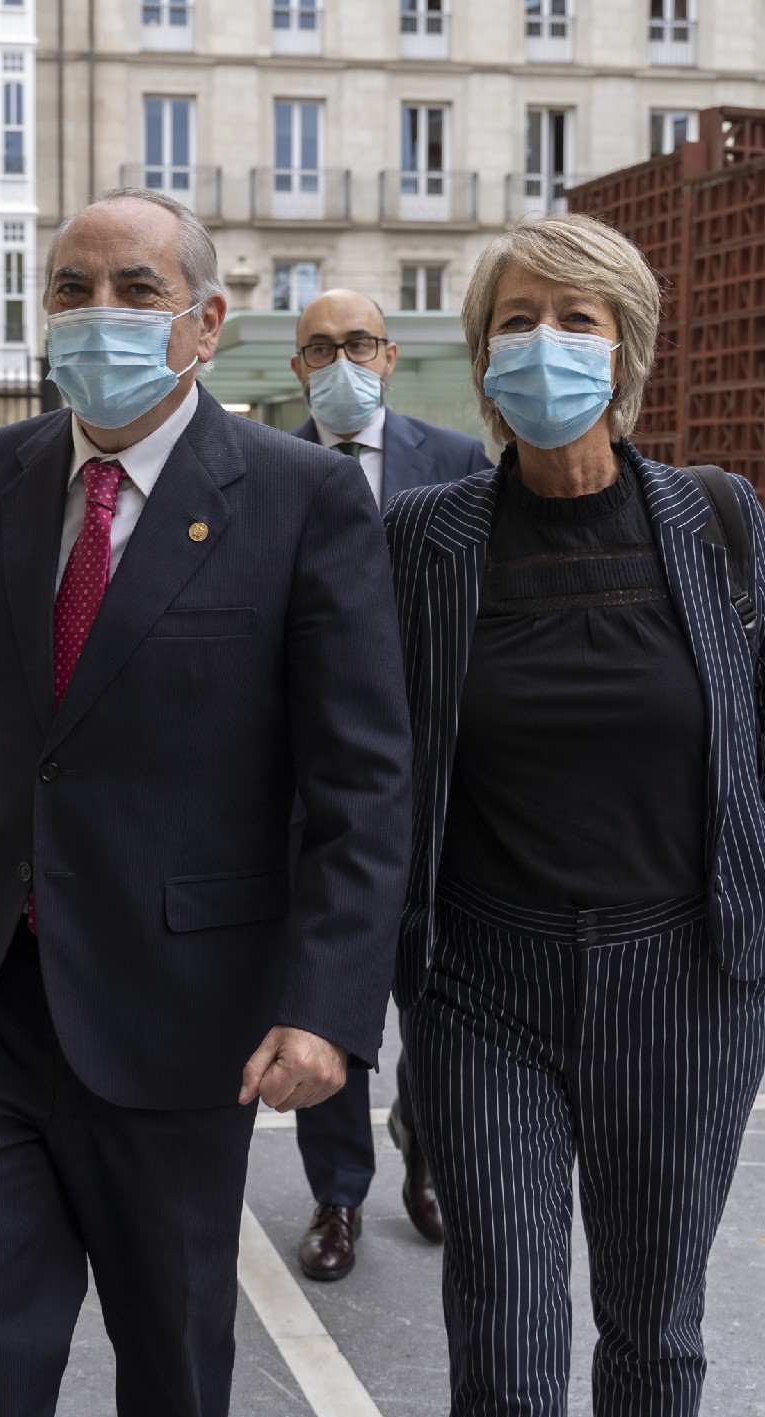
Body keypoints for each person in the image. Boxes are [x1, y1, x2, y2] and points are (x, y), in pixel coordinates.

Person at [0, 188, 412, 1417]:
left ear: (204, 324)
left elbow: (361, 780)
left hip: (180, 1023)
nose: (95, 315)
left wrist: (326, 1005)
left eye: (135, 291)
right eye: (70, 289)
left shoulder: (295, 500)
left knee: (171, 1372)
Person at [382, 213, 765, 1417]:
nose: (542, 344)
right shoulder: (423, 538)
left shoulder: (714, 515)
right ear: (480, 358)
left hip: (683, 979)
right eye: (515, 320)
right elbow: (365, 750)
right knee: (507, 1350)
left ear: (622, 348)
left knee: (652, 1331)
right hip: (482, 984)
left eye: (573, 318)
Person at [284, 288, 489, 1280]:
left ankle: (426, 1135)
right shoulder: (263, 471)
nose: (339, 359)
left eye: (355, 341)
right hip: (307, 787)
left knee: (439, 988)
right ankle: (335, 1195)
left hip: (431, 774)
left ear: (390, 353)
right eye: (318, 346)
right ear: (295, 368)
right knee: (331, 985)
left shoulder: (452, 465)